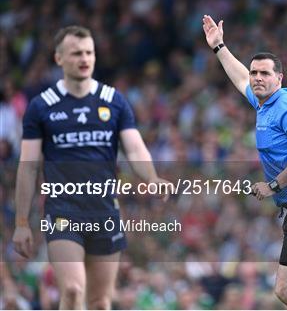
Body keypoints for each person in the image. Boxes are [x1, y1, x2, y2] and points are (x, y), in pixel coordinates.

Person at [12, 25, 171, 309]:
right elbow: (28, 167)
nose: (84, 58)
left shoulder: (114, 101)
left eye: (89, 52)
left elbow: (134, 147)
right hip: (63, 210)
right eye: (76, 53)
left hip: (104, 209)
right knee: (73, 290)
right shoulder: (41, 106)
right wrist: (22, 223)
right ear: (59, 58)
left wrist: (152, 178)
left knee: (99, 303)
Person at [202, 15, 287, 310]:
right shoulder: (263, 103)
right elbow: (239, 77)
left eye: (265, 73)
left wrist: (273, 186)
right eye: (255, 73)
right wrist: (219, 47)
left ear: (280, 78)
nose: (257, 78)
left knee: (285, 290)